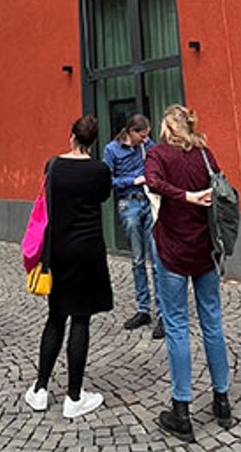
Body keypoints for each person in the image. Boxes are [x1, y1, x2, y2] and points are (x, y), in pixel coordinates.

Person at [145, 104, 234, 443]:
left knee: (178, 325)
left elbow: (152, 183)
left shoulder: (158, 154)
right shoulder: (205, 154)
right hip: (205, 249)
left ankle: (181, 409)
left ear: (168, 126)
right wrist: (196, 195)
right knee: (212, 321)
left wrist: (184, 195)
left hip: (172, 249)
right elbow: (221, 187)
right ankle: (221, 399)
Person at [24, 115, 114, 419]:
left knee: (55, 318)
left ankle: (39, 389)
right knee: (81, 321)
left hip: (58, 250)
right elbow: (103, 197)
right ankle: (74, 396)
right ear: (93, 141)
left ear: (71, 136)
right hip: (88, 249)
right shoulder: (100, 170)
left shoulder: (53, 166)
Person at [101, 114, 164, 339]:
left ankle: (162, 313)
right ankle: (143, 309)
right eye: (143, 135)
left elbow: (158, 160)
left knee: (157, 259)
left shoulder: (147, 145)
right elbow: (106, 180)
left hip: (149, 202)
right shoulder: (111, 150)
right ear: (131, 132)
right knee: (137, 260)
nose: (145, 139)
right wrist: (133, 180)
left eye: (147, 136)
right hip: (129, 204)